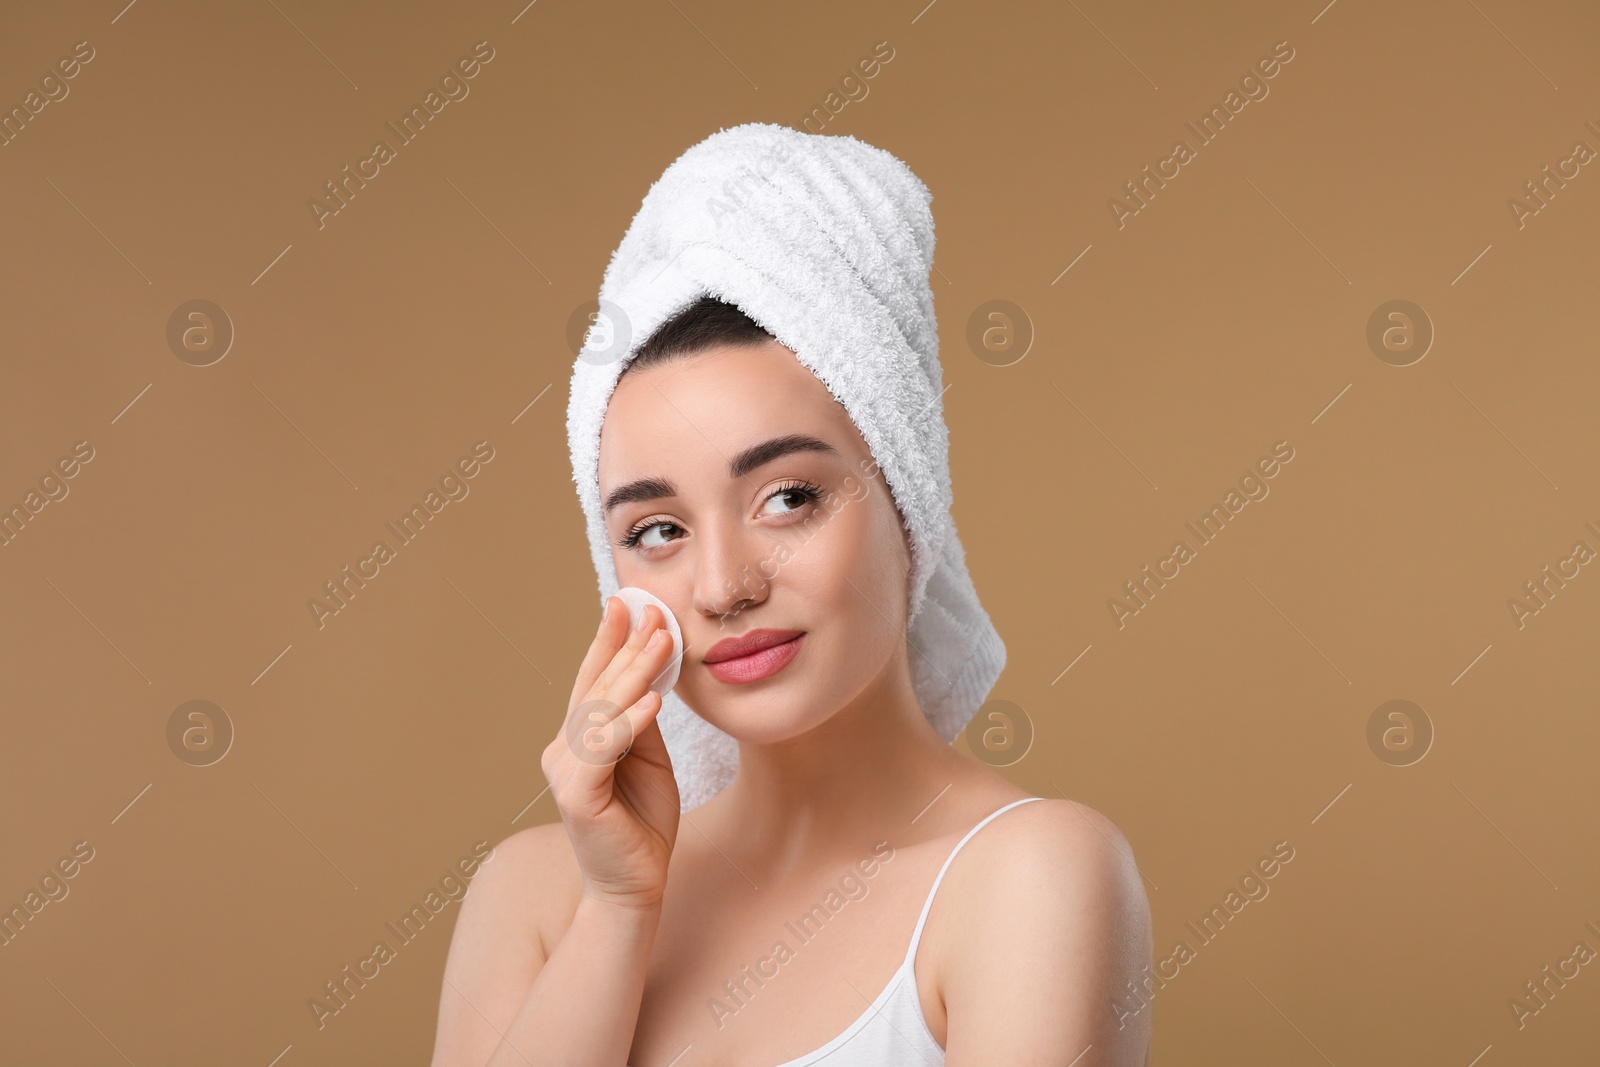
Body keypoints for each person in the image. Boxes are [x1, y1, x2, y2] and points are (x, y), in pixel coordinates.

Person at [429, 125, 1153, 1067]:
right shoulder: (536, 898)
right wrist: (617, 911)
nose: (725, 586)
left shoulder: (1030, 878)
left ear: (907, 495)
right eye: (659, 530)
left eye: (788, 498)